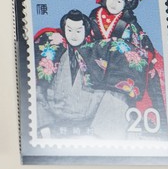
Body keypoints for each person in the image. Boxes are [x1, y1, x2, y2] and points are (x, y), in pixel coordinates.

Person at [87, 0, 167, 122]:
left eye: (119, 1)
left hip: (121, 70)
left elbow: (141, 46)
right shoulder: (94, 17)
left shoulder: (129, 22)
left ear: (126, 2)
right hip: (96, 66)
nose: (114, 4)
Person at [33, 10, 127, 139]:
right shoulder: (54, 48)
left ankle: (101, 133)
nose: (73, 35)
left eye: (78, 31)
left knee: (118, 91)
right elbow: (38, 87)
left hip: (90, 119)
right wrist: (44, 126)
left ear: (85, 31)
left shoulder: (97, 51)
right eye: (69, 30)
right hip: (54, 117)